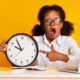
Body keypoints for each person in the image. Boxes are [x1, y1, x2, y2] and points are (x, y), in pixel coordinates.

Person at [0, 5, 80, 69]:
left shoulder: (68, 41)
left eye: (56, 20)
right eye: (48, 20)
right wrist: (10, 52)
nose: (52, 23)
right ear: (42, 26)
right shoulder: (33, 41)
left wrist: (61, 57)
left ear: (61, 24)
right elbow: (21, 65)